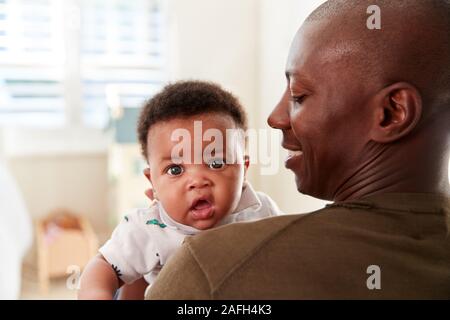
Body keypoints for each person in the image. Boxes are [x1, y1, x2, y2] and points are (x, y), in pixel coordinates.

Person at [146, 0, 450, 299]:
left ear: (391, 112)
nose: (276, 118)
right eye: (175, 168)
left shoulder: (210, 271)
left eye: (299, 96)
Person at [77, 81, 280, 300]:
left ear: (244, 171)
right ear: (153, 183)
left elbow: (288, 255)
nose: (197, 181)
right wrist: (97, 293)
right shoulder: (149, 227)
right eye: (175, 169)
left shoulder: (261, 211)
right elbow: (103, 265)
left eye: (216, 163)